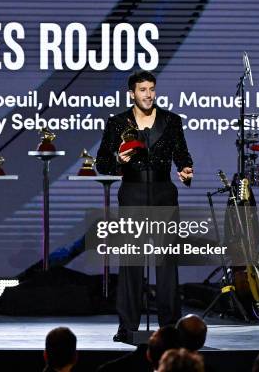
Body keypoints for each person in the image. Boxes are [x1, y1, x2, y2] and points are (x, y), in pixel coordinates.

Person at [96, 71, 193, 343]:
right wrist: (118, 158)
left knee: (166, 265)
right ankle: (127, 326)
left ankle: (170, 327)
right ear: (132, 93)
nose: (148, 94)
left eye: (151, 89)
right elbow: (101, 163)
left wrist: (186, 170)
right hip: (133, 195)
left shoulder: (171, 121)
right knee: (131, 264)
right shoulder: (117, 123)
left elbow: (183, 155)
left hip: (163, 194)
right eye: (142, 89)